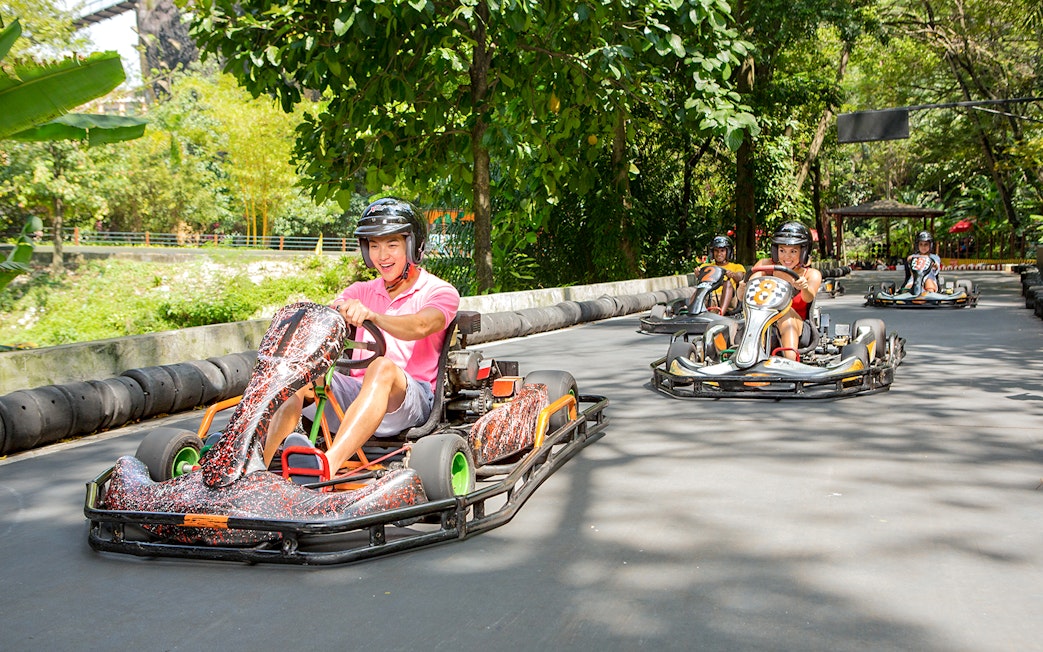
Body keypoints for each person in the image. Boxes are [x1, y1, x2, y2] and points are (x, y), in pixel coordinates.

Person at [265, 197, 460, 478]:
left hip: (411, 400)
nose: (382, 255)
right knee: (299, 373)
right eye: (374, 245)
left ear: (412, 246)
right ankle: (255, 468)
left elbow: (421, 325)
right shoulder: (360, 290)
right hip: (357, 393)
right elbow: (331, 314)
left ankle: (326, 466)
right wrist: (333, 312)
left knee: (381, 367)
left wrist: (374, 317)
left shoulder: (440, 291)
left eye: (392, 245)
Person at [749, 221, 823, 361]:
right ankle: (748, 357)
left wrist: (804, 287)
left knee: (785, 312)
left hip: (798, 326)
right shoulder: (765, 266)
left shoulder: (811, 274)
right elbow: (747, 293)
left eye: (793, 251)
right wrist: (743, 287)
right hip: (763, 320)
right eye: (782, 250)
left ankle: (791, 362)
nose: (787, 257)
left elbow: (808, 297)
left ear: (803, 252)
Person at [700, 235, 745, 312]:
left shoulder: (737, 267)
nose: (719, 254)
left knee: (727, 283)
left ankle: (721, 313)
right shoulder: (706, 266)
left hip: (730, 299)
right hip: (711, 297)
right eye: (716, 251)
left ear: (728, 252)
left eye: (722, 251)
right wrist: (698, 274)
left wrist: (732, 275)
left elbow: (740, 278)